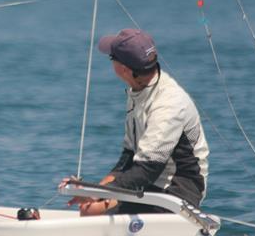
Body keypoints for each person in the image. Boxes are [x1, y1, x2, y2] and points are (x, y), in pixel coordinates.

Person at [71, 28, 209, 216]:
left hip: (178, 191)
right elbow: (129, 157)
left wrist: (98, 194)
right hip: (149, 184)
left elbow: (147, 169)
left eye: (112, 58)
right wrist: (91, 190)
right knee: (89, 210)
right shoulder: (138, 91)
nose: (110, 61)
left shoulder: (168, 106)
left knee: (91, 213)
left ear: (124, 69)